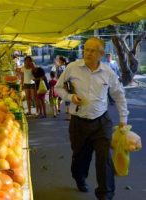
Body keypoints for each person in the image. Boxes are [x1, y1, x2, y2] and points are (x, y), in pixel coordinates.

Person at [55, 37, 129, 200]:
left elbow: (118, 94)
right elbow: (58, 87)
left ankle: (105, 194)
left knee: (104, 160)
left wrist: (123, 118)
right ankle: (79, 178)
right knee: (80, 157)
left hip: (101, 122)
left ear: (101, 54)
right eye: (86, 49)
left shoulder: (108, 72)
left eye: (92, 50)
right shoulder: (72, 68)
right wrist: (70, 97)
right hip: (79, 122)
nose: (87, 53)